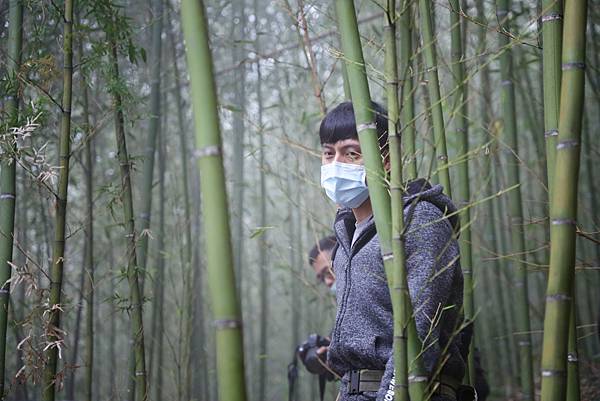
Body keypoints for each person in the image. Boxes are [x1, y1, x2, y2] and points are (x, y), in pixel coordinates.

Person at [319, 101, 468, 401]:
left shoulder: (418, 220)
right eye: (328, 153)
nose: (336, 164)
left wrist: (392, 395)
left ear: (385, 158)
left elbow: (419, 333)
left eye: (351, 153)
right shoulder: (347, 235)